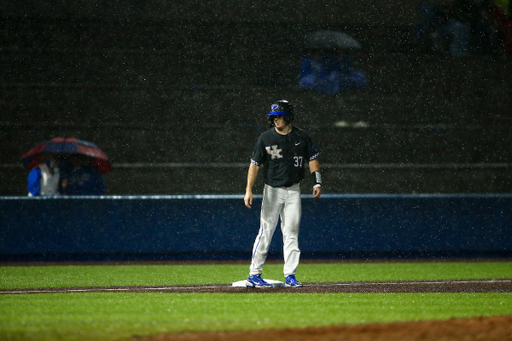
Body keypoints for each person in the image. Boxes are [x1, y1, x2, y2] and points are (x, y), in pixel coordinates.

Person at [243, 100, 322, 288]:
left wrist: (317, 181)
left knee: (292, 233)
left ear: (288, 116)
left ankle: (291, 276)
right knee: (266, 231)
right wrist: (248, 189)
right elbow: (254, 165)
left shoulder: (302, 136)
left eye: (278, 116)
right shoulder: (265, 138)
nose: (275, 119)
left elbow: (313, 159)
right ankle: (254, 274)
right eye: (273, 117)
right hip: (272, 190)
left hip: (294, 190)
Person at [298, 48, 368, 95]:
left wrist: (340, 63)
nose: (318, 54)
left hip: (338, 76)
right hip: (313, 77)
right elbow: (305, 71)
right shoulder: (307, 60)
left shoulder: (345, 59)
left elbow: (346, 69)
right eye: (317, 52)